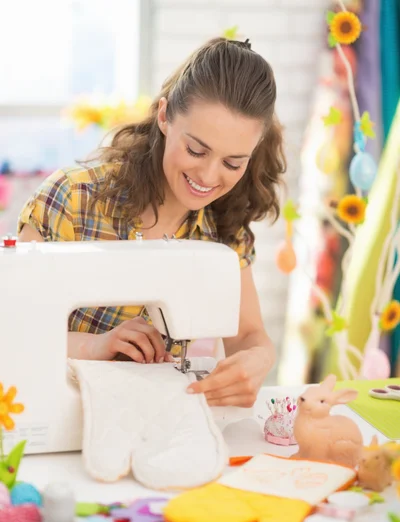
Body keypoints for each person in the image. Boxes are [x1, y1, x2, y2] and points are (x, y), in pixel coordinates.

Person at [17, 37, 286, 408]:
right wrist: (94, 346)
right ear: (164, 117)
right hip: (52, 414)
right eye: (196, 150)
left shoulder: (224, 225)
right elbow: (12, 328)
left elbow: (249, 335)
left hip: (152, 425)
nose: (208, 175)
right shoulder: (73, 199)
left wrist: (259, 359)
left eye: (232, 163)